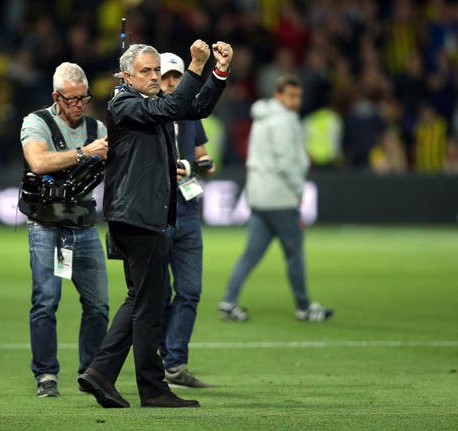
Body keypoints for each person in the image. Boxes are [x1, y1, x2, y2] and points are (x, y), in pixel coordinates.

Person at [78, 39, 232, 408]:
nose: (154, 76)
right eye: (146, 71)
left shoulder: (147, 105)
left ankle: (102, 373)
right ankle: (150, 387)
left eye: (156, 71)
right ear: (126, 76)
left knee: (143, 300)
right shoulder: (124, 104)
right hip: (138, 215)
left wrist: (218, 72)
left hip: (141, 213)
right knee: (148, 305)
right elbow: (178, 104)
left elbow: (194, 108)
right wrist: (196, 65)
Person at [19, 62, 110, 398]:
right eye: (71, 99)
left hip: (84, 224)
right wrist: (85, 152)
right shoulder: (36, 122)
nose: (78, 105)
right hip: (46, 224)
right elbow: (38, 162)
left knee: (99, 304)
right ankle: (46, 375)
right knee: (46, 301)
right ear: (56, 97)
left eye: (83, 99)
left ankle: (92, 371)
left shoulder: (98, 127)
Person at [218, 74, 334, 323]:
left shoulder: (263, 117)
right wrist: (299, 191)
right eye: (291, 96)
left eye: (298, 96)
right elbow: (286, 161)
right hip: (280, 197)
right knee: (294, 254)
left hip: (260, 196)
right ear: (278, 95)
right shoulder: (283, 120)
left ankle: (228, 301)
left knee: (251, 253)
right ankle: (304, 306)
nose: (296, 101)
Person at [158, 52, 215, 389]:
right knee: (158, 292)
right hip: (157, 211)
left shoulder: (192, 116)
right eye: (165, 77)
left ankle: (175, 363)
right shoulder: (149, 113)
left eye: (175, 77)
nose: (170, 82)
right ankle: (162, 358)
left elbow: (206, 160)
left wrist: (196, 166)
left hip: (188, 208)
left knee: (190, 290)